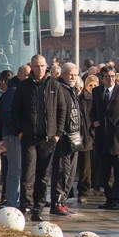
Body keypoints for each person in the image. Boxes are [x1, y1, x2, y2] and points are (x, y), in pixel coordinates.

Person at [12, 54, 67, 222]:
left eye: (43, 66)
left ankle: (38, 207)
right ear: (31, 67)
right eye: (37, 66)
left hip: (48, 139)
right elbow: (15, 110)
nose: (40, 69)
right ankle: (26, 206)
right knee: (28, 173)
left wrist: (58, 133)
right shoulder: (24, 87)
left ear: (46, 66)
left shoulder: (54, 85)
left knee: (43, 175)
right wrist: (19, 131)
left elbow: (62, 109)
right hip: (29, 137)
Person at [92, 66, 119, 210]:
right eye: (107, 76)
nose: (110, 79)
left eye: (112, 76)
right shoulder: (97, 91)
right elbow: (92, 111)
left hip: (117, 138)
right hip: (102, 137)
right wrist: (94, 122)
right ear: (102, 78)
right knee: (105, 171)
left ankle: (117, 199)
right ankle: (109, 198)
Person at [50, 63, 82, 217]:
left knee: (70, 173)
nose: (73, 77)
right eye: (70, 74)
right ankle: (56, 203)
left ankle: (63, 202)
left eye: (75, 75)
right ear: (63, 74)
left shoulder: (73, 90)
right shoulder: (59, 89)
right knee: (62, 171)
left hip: (74, 137)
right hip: (63, 137)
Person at [0, 69, 22, 210]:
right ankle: (11, 200)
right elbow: (4, 116)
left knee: (14, 169)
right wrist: (18, 131)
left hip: (12, 135)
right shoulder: (12, 92)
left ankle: (12, 199)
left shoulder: (16, 91)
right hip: (13, 136)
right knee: (14, 170)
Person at [76, 74, 98, 203]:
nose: (93, 88)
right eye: (90, 85)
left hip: (87, 136)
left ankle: (84, 191)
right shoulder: (78, 99)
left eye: (95, 85)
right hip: (76, 135)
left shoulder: (92, 100)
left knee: (86, 167)